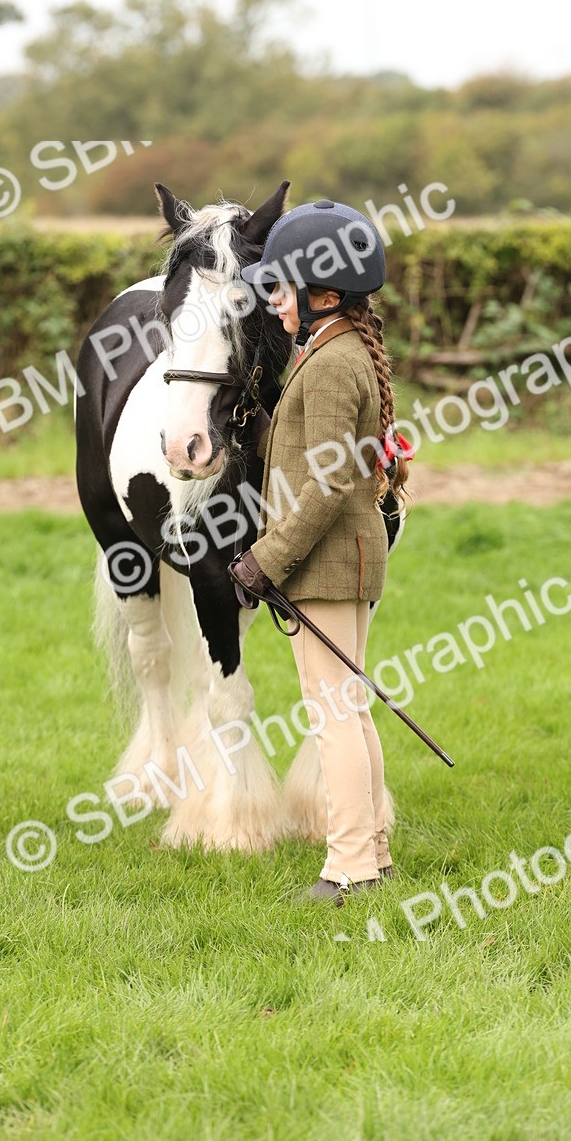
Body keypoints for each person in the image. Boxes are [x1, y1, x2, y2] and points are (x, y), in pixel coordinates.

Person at [231, 198, 412, 906]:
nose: (273, 301)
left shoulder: (332, 362)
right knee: (351, 710)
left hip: (327, 562)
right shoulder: (336, 350)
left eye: (282, 288)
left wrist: (266, 559)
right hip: (343, 558)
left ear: (326, 296)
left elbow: (330, 479)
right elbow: (313, 450)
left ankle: (349, 868)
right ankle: (375, 855)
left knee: (333, 715)